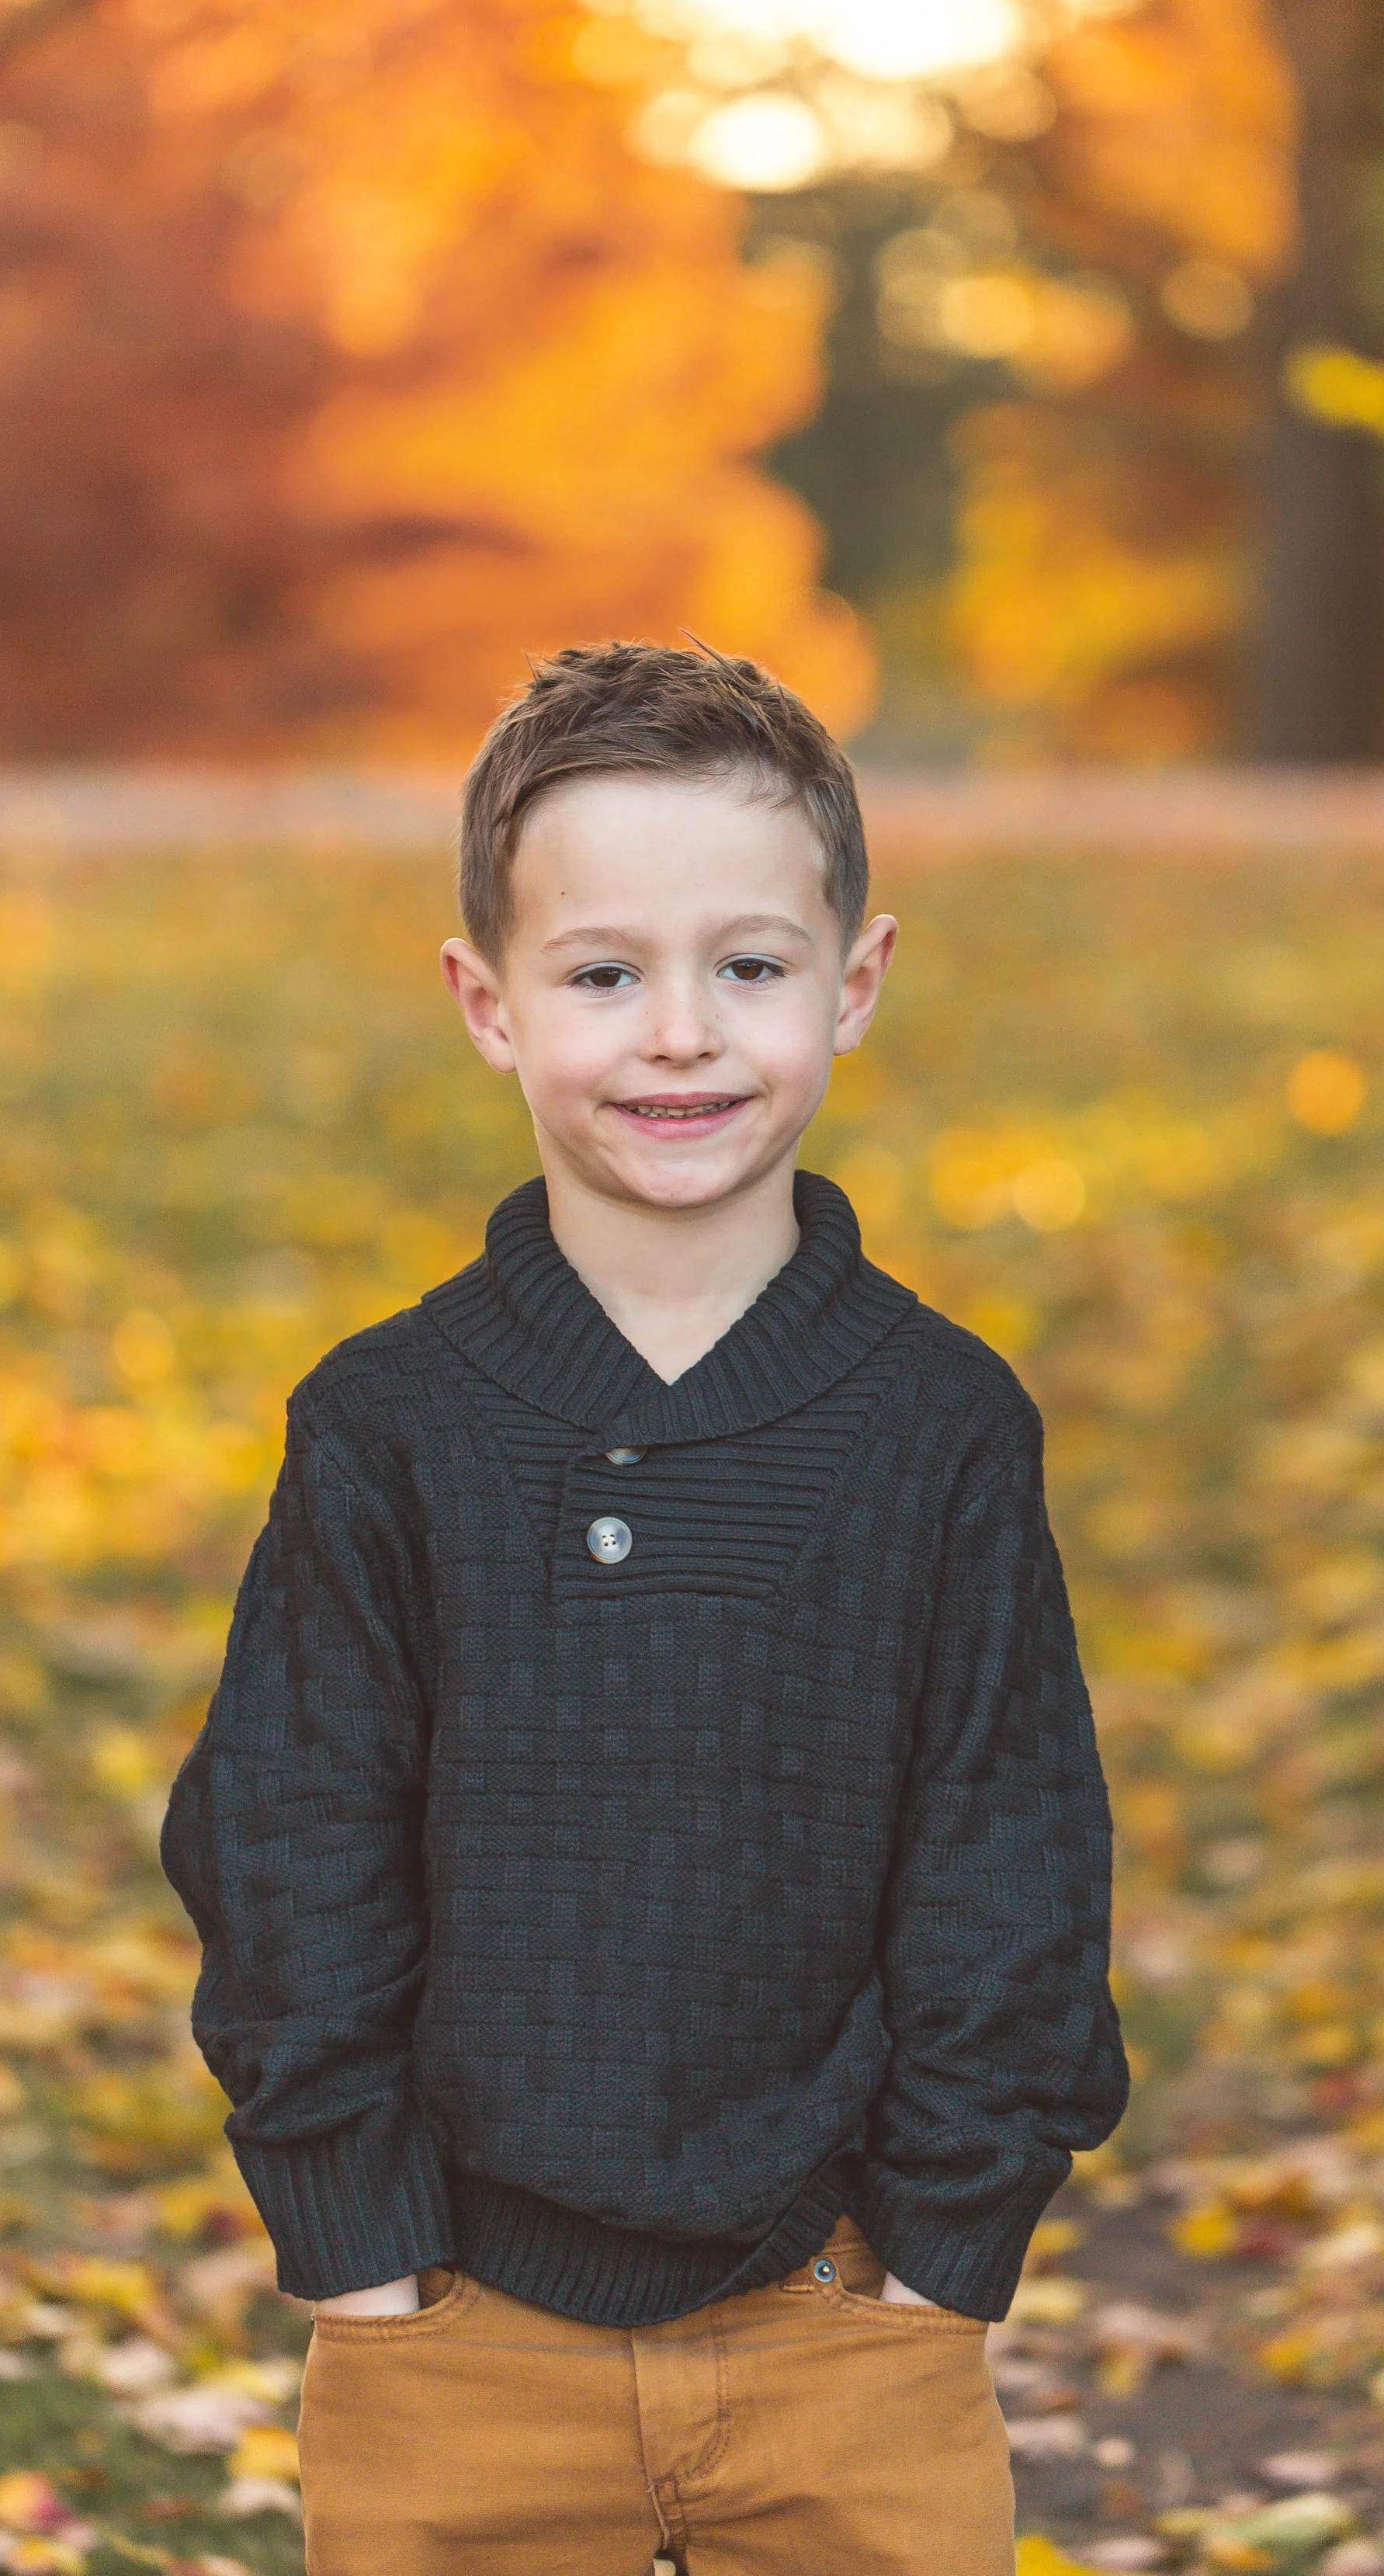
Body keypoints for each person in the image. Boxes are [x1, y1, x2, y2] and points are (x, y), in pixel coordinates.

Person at [162, 641, 1127, 2576]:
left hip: (847, 2315)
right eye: (602, 973)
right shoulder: (390, 1423)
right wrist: (354, 2251)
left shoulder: (938, 1426)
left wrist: (942, 2253)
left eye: (748, 968)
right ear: (488, 1005)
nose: (678, 1033)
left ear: (850, 987)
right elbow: (287, 1838)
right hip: (455, 2327)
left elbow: (1008, 1855)